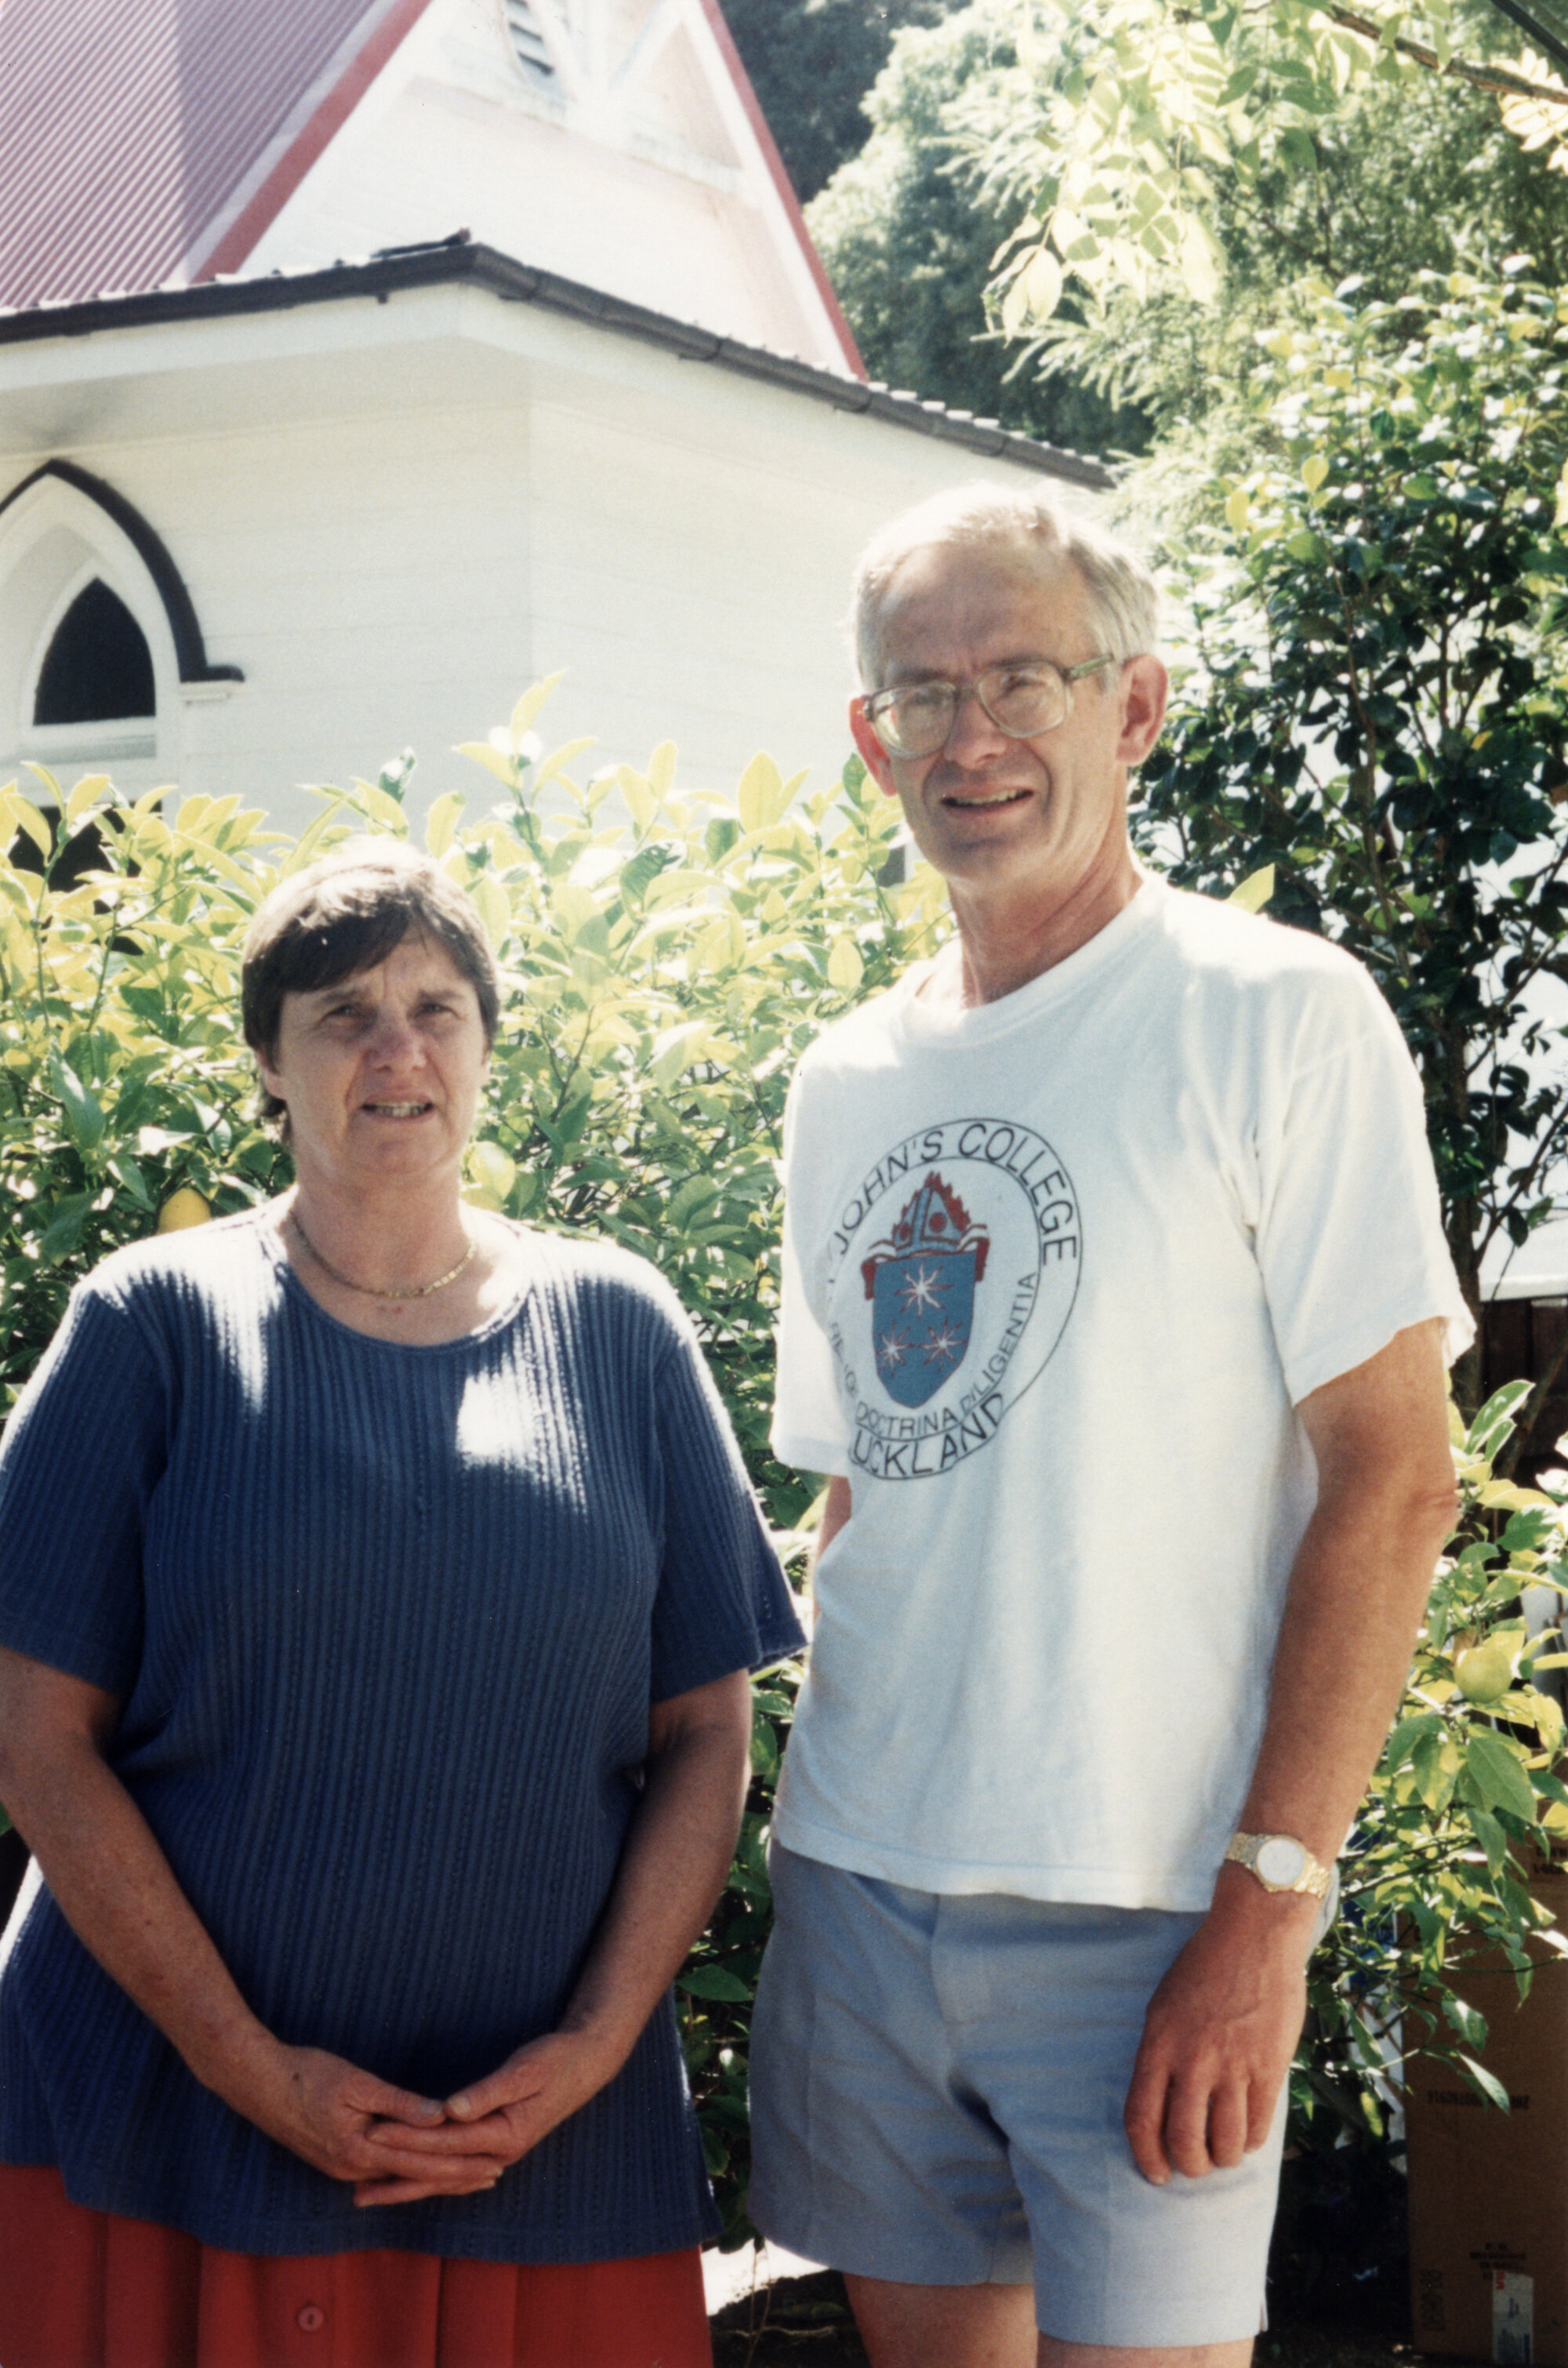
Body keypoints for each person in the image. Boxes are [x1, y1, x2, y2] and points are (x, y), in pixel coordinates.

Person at [747, 485, 1469, 2368]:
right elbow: (856, 1491)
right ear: (867, 739)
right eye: (919, 693)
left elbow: (1395, 1482)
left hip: (1152, 1907)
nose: (967, 737)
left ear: (1131, 710)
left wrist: (1268, 1910)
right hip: (864, 1890)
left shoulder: (1278, 1019)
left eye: (1021, 679)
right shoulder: (843, 1081)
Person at [0, 837, 803, 2368]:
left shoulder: (618, 1326)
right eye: (342, 1011)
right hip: (165, 2130)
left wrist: (590, 2048)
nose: (395, 1048)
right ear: (269, 1065)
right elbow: (35, 1737)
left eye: (436, 1006)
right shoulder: (151, 1324)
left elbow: (706, 1726)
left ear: (488, 1048)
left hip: (540, 2149)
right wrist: (248, 2067)